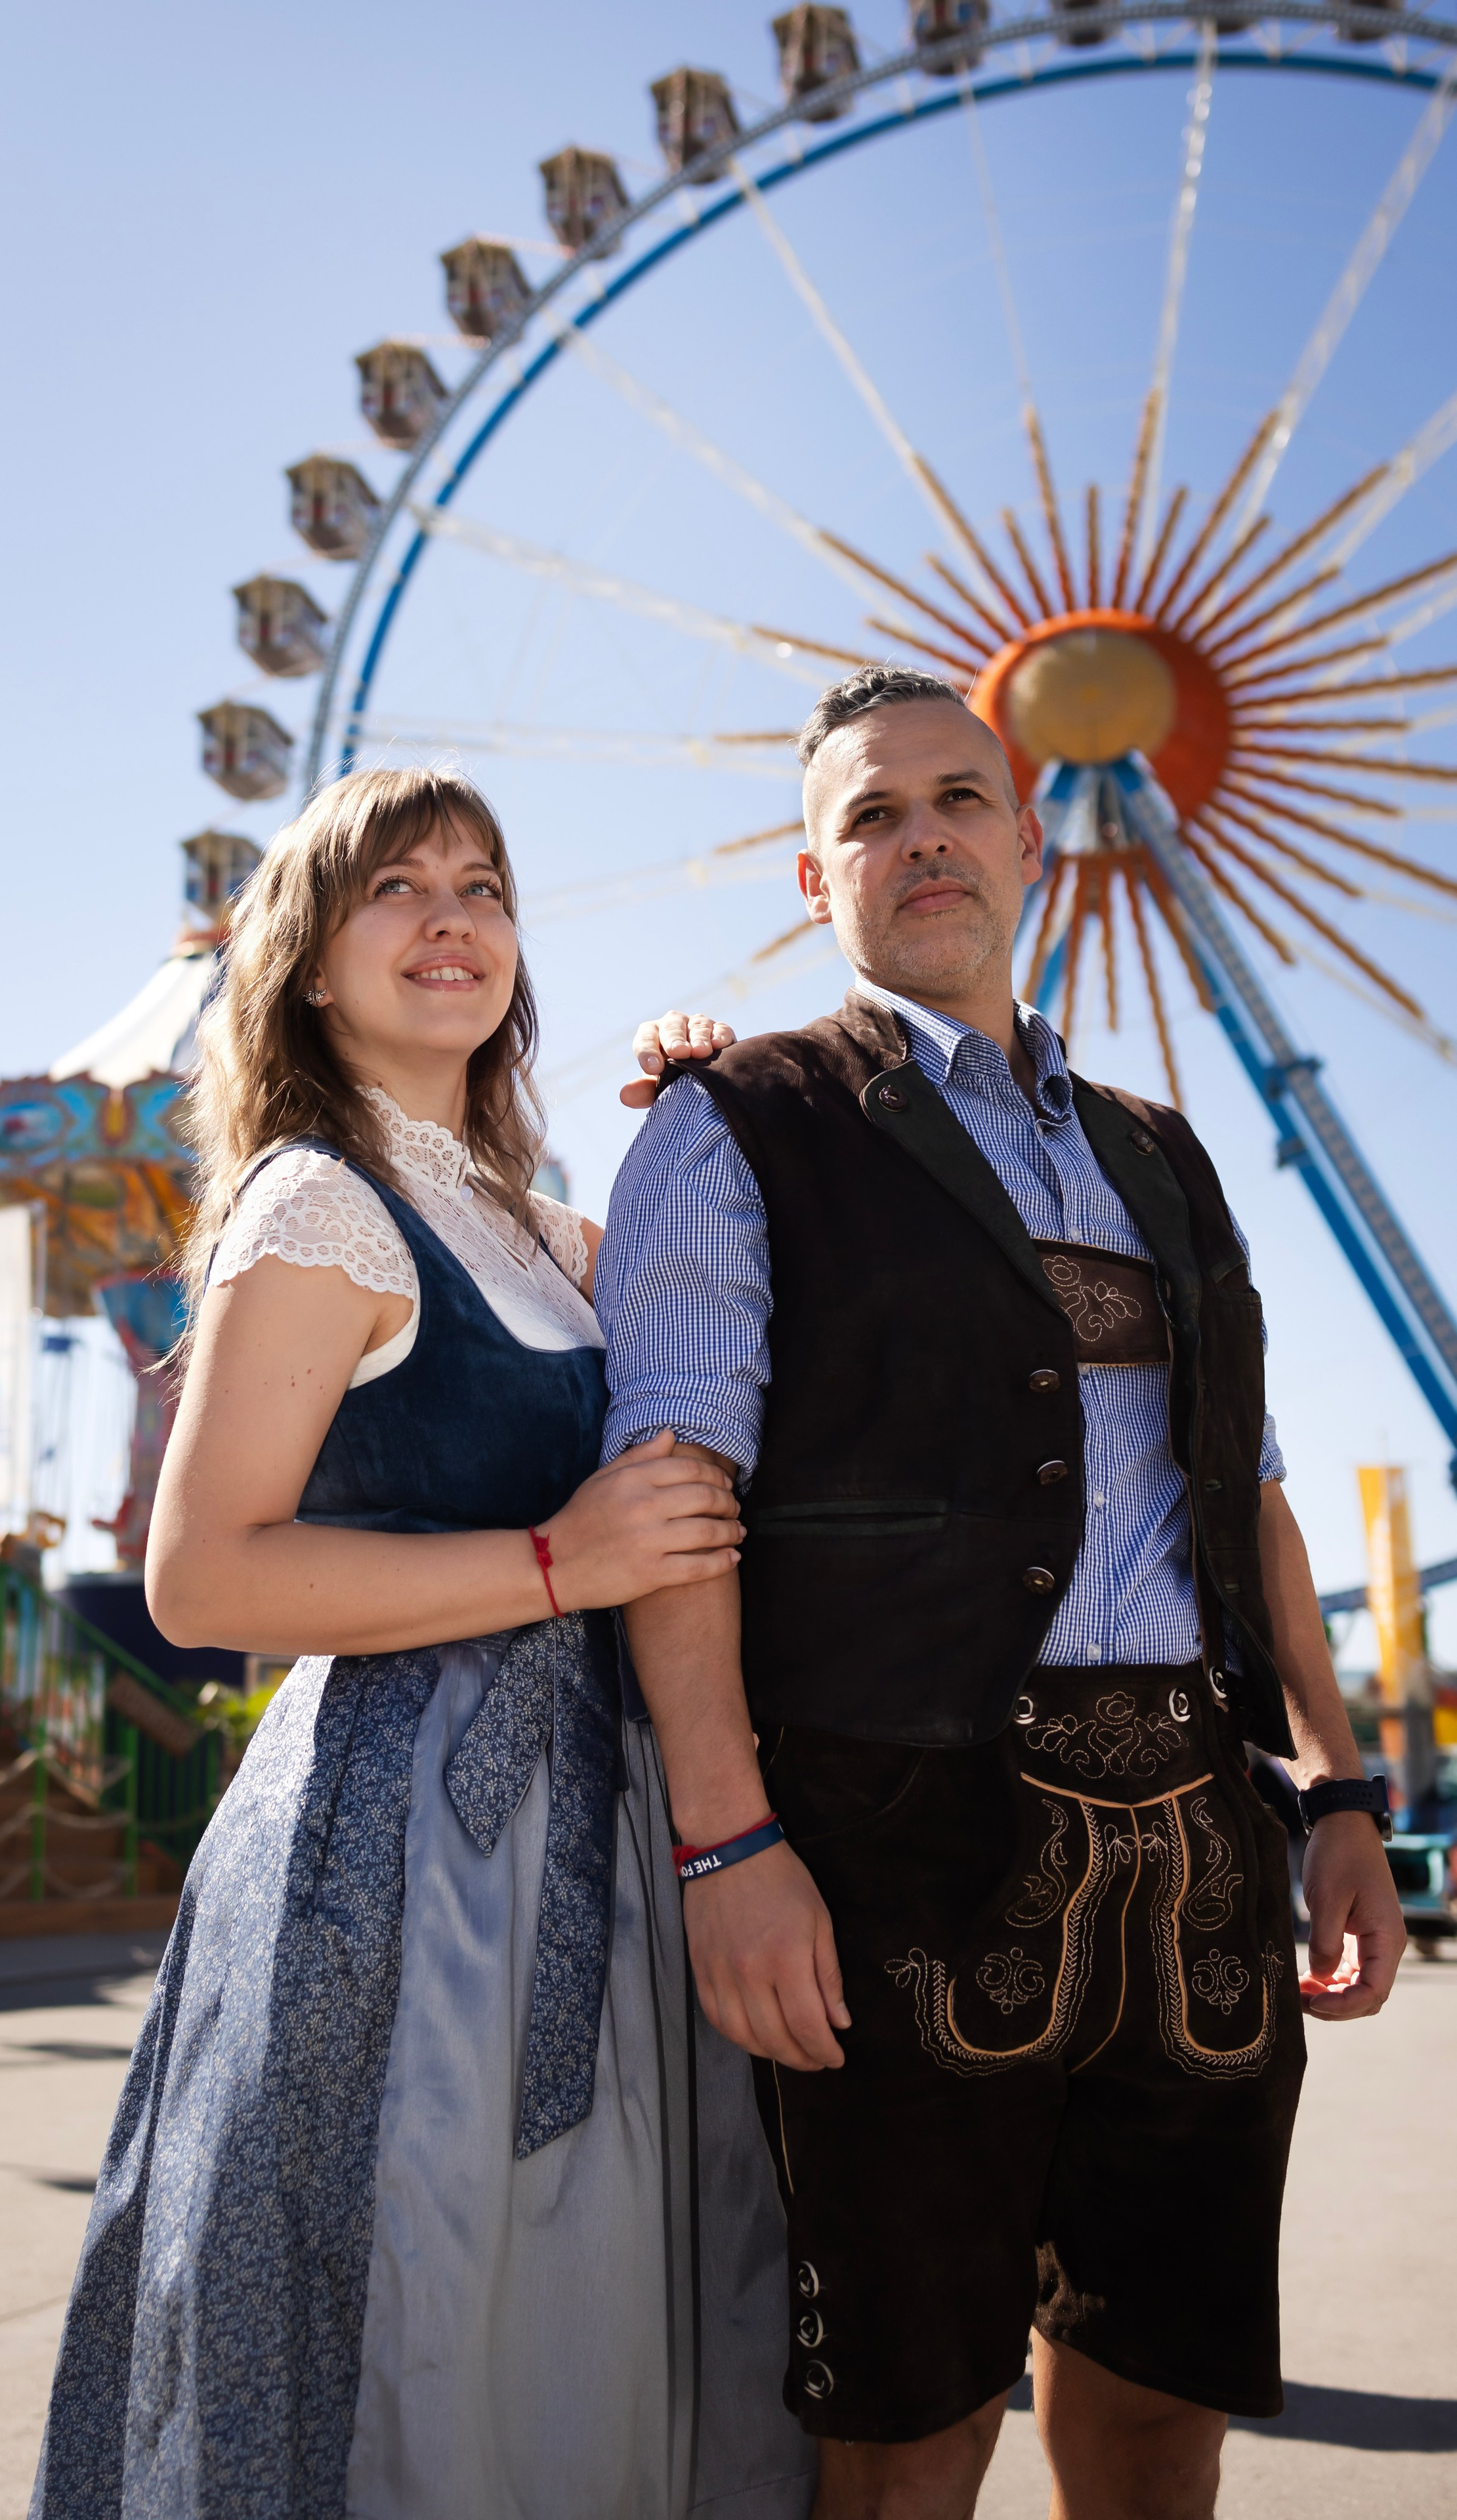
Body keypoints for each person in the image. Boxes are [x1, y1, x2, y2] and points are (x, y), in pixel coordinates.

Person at [598, 667, 1406, 2520]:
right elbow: (674, 1502)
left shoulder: (1162, 1152)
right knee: (907, 2439)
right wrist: (727, 1846)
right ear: (817, 879)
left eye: (959, 798)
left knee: (1162, 2420)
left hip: (1200, 1850)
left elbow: (1248, 1497)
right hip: (897, 1846)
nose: (924, 839)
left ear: (1033, 840)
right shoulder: (737, 1125)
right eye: (871, 817)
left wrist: (1342, 1789)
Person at [30, 767, 816, 2520]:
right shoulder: (319, 1201)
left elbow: (745, 1341)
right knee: (423, 2317)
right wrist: (557, 1561)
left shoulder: (535, 1223)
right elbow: (203, 1581)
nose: (451, 918)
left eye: (482, 886)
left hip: (599, 1816)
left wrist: (719, 1108)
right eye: (396, 887)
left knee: (579, 2323)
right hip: (408, 1848)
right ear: (311, 962)